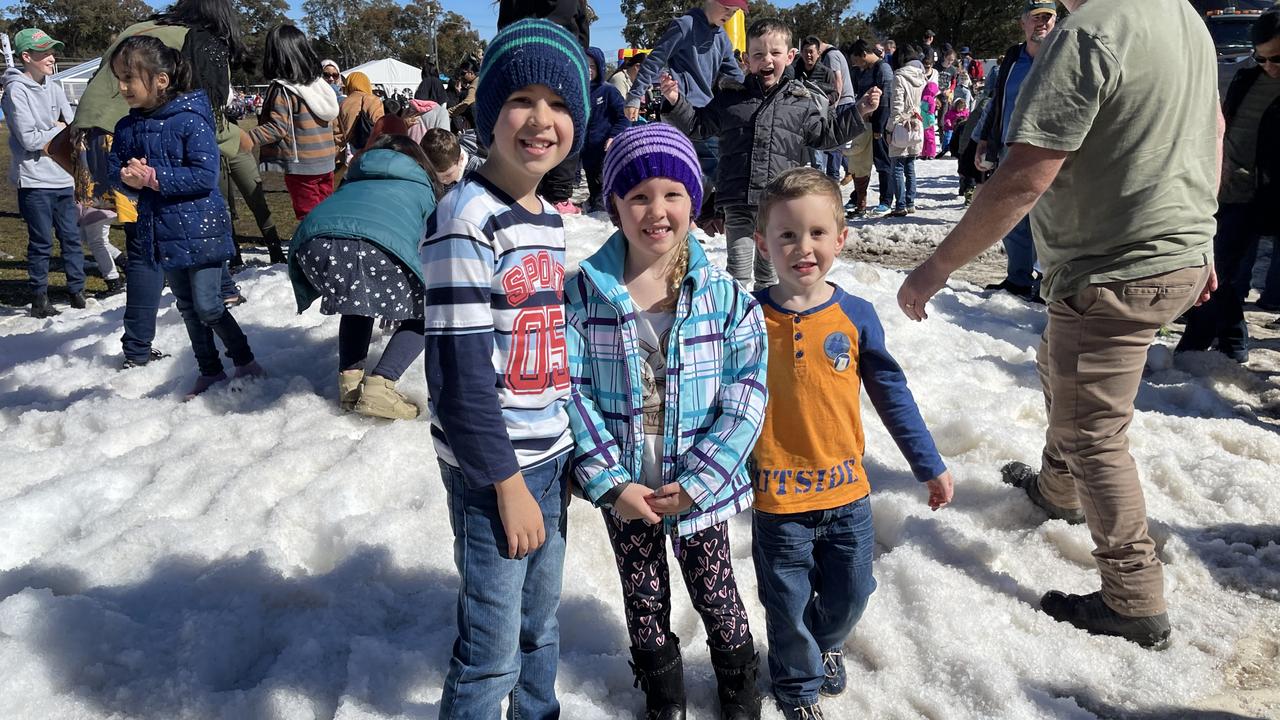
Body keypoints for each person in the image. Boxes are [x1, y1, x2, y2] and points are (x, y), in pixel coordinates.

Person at [898, 0, 1219, 649]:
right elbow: (1211, 128)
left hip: (1115, 269)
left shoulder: (1089, 32)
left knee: (1093, 432)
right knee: (1055, 361)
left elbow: (1024, 178)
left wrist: (933, 269)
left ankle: (1133, 597)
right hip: (1166, 256)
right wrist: (1201, 235)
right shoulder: (1181, 15)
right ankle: (1057, 487)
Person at [566, 123, 767, 720]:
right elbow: (570, 392)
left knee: (717, 590)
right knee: (644, 596)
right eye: (638, 197)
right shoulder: (585, 294)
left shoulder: (727, 299)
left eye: (672, 194)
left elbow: (747, 394)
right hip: (627, 488)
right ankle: (664, 693)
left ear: (694, 200)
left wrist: (704, 479)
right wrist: (609, 482)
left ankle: (737, 687)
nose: (657, 210)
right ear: (615, 207)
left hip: (697, 492)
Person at [418, 19, 587, 718]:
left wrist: (570, 449)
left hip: (548, 455)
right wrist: (507, 484)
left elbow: (549, 348)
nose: (541, 119)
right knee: (490, 653)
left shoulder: (546, 216)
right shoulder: (465, 217)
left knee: (541, 627)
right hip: (495, 469)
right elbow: (457, 376)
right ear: (488, 116)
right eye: (522, 100)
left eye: (559, 103)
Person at [749, 167, 952, 720]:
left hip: (846, 495)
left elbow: (892, 394)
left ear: (841, 238)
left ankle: (825, 641)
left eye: (817, 233)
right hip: (778, 499)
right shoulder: (745, 316)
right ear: (763, 243)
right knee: (785, 605)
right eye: (787, 235)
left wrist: (927, 463)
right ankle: (797, 687)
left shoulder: (856, 316)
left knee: (854, 592)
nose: (803, 247)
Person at [71, 0, 251, 365]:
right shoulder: (200, 40)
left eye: (127, 80)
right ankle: (144, 347)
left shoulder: (143, 30)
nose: (123, 85)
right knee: (146, 248)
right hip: (131, 136)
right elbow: (208, 118)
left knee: (157, 246)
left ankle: (208, 308)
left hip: (92, 134)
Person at [662, 17, 880, 289]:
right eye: (758, 54)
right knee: (738, 273)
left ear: (789, 57)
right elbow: (698, 125)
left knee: (769, 275)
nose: (767, 59)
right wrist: (675, 101)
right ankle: (737, 322)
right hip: (738, 199)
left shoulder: (799, 102)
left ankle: (765, 322)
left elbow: (826, 135)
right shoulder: (731, 98)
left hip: (777, 204)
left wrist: (859, 111)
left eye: (775, 53)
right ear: (746, 60)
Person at [109, 36, 262, 398]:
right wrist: (125, 176)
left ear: (160, 80)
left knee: (209, 305)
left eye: (129, 77)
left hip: (202, 230)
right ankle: (210, 370)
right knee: (188, 308)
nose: (122, 86)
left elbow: (203, 176)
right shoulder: (128, 127)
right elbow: (115, 167)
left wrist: (152, 177)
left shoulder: (190, 119)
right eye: (120, 77)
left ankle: (244, 359)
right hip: (161, 231)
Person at [288, 134, 436, 419]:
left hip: (313, 243)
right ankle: (381, 384)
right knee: (427, 311)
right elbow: (430, 241)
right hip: (375, 246)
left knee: (359, 300)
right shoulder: (421, 187)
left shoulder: (356, 177)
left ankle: (351, 385)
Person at [1177, 7, 1280, 363]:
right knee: (1215, 271)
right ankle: (1213, 344)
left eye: (1277, 58)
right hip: (1235, 191)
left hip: (1271, 193)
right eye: (1262, 57)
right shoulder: (1246, 77)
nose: (1269, 66)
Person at [973, 0, 1058, 301]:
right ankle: (1019, 279)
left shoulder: (1062, 56)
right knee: (1012, 217)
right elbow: (998, 101)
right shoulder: (1012, 57)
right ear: (1023, 22)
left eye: (1049, 17)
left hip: (1048, 154)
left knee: (1047, 222)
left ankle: (1048, 284)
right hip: (1010, 151)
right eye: (1036, 18)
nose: (1043, 23)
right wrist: (985, 137)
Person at [2, 27, 85, 318]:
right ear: (26, 57)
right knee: (41, 242)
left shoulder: (55, 86)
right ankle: (39, 297)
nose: (52, 57)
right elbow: (28, 139)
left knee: (72, 238)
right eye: (45, 52)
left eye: (52, 50)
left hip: (63, 176)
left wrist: (58, 130)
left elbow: (73, 126)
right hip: (35, 181)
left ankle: (78, 291)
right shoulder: (15, 91)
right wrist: (57, 128)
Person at [247, 24, 339, 222]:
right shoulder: (319, 85)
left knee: (310, 218)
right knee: (326, 214)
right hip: (326, 161)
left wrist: (249, 138)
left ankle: (313, 250)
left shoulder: (283, 89)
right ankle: (329, 248)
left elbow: (278, 127)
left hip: (302, 165)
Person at [845, 39, 893, 218]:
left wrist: (879, 127)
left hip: (878, 124)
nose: (855, 64)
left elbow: (886, 101)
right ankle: (857, 197)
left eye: (856, 60)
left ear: (863, 55)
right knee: (863, 163)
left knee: (882, 162)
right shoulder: (865, 70)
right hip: (866, 123)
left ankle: (886, 200)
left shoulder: (883, 69)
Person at [583, 47, 630, 213]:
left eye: (592, 66)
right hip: (586, 151)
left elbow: (624, 117)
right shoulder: (578, 90)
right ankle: (597, 209)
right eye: (584, 64)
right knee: (594, 185)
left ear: (600, 68)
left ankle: (607, 214)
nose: (588, 70)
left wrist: (613, 136)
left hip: (605, 149)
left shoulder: (608, 90)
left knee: (605, 187)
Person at [882, 43, 925, 218]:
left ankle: (900, 205)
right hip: (916, 122)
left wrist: (889, 128)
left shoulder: (898, 76)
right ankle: (910, 202)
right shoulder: (921, 76)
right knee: (910, 165)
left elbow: (897, 107)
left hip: (901, 124)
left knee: (897, 167)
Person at [418, 127, 483, 198]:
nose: (442, 180)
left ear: (461, 159)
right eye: (434, 175)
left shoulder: (478, 170)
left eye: (448, 175)